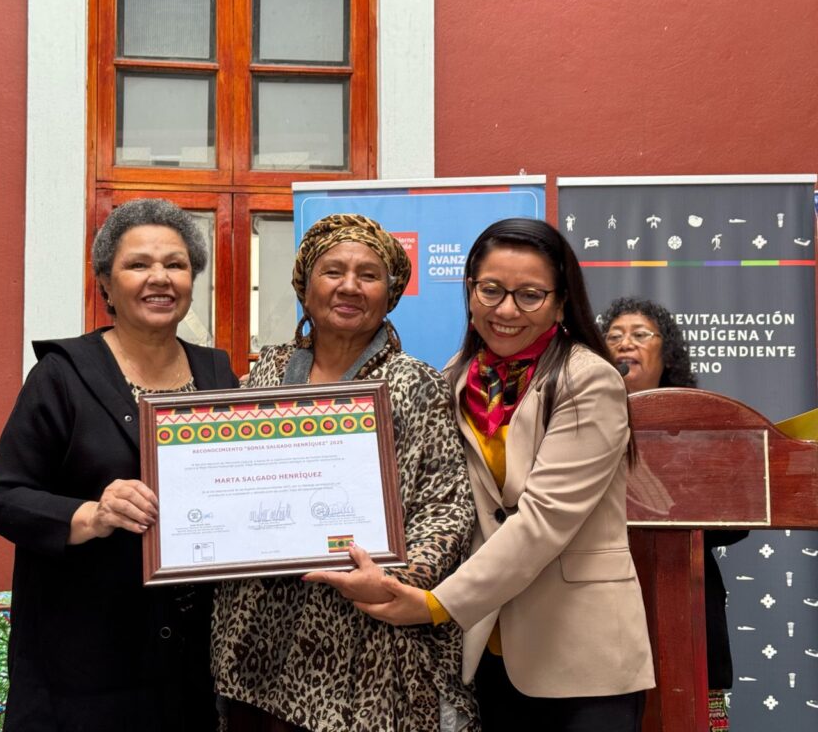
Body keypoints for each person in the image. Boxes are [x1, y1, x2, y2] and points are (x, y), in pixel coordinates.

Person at [307, 218, 655, 731]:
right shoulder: (453, 379)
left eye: (530, 295)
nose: (506, 310)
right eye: (491, 290)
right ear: (470, 292)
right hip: (486, 647)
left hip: (579, 651)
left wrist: (434, 604)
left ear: (561, 303)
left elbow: (544, 520)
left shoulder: (588, 380)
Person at [0, 199, 239, 731]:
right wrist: (92, 515)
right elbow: (3, 497)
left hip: (191, 664)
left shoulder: (217, 375)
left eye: (176, 264)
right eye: (138, 264)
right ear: (105, 282)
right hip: (84, 663)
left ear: (192, 279)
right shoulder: (62, 375)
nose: (159, 278)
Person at [211, 213, 477, 731]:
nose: (350, 286)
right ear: (305, 286)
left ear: (390, 294)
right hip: (255, 634)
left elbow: (446, 506)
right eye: (333, 271)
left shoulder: (417, 384)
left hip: (364, 635)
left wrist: (395, 580)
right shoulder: (266, 372)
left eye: (368, 275)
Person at [601, 296, 747, 732]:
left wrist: (673, 501)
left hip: (686, 596)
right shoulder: (575, 418)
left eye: (640, 335)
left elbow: (736, 520)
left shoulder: (699, 422)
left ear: (667, 355)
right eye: (613, 336)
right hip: (600, 608)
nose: (625, 343)